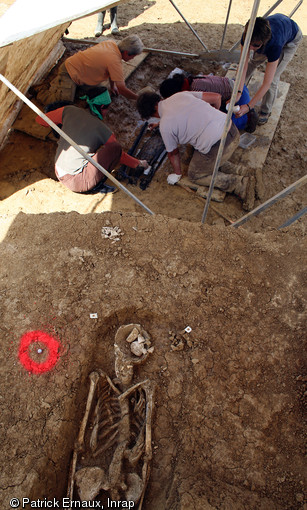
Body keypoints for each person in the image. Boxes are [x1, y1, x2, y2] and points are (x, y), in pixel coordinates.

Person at [136, 90, 255, 210]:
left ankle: (241, 185)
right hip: (232, 130)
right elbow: (216, 97)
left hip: (220, 146)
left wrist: (177, 174)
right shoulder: (179, 95)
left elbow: (173, 153)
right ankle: (243, 171)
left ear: (152, 111)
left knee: (195, 174)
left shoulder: (166, 126)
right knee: (199, 153)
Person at [36, 103, 148, 194]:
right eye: (106, 108)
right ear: (101, 107)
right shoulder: (102, 129)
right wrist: (139, 163)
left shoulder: (69, 110)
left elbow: (40, 120)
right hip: (77, 181)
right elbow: (119, 154)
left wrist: (64, 125)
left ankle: (90, 179)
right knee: (115, 148)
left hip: (58, 170)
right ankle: (95, 186)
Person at [236, 14, 302, 125]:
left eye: (255, 45)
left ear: (263, 42)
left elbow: (267, 82)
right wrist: (238, 91)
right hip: (278, 26)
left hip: (291, 39)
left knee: (273, 78)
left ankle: (265, 110)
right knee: (252, 62)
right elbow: (243, 65)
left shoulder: (274, 45)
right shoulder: (247, 36)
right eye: (248, 44)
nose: (250, 48)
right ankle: (236, 88)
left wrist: (249, 106)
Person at [41, 35, 144, 104]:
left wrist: (112, 87)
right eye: (133, 56)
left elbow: (113, 74)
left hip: (82, 73)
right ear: (126, 53)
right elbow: (122, 88)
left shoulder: (111, 43)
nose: (132, 59)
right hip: (69, 71)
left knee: (99, 93)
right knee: (63, 103)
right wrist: (138, 98)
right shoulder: (114, 61)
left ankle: (68, 86)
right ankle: (40, 91)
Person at [159, 72, 258, 133]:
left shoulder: (194, 89)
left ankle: (248, 117)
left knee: (224, 127)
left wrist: (214, 117)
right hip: (234, 88)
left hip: (239, 95)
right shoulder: (189, 81)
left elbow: (217, 98)